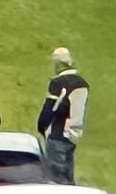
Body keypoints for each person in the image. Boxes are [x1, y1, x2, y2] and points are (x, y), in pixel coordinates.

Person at [36, 47, 89, 180]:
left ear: (59, 64)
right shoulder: (82, 84)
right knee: (68, 174)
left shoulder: (58, 83)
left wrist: (42, 127)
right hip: (73, 135)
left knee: (55, 179)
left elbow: (49, 109)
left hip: (57, 133)